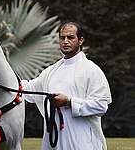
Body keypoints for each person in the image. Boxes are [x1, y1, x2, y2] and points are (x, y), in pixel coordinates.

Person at [22, 22, 112, 150]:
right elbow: (30, 89)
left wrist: (69, 102)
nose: (65, 41)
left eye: (70, 37)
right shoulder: (51, 71)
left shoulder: (91, 70)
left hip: (82, 141)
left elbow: (100, 106)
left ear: (80, 40)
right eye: (62, 38)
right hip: (54, 140)